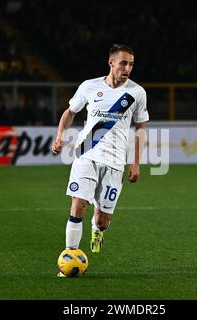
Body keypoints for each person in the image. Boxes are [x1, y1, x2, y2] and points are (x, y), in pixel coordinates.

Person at [52, 44, 149, 276]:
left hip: (115, 162)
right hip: (86, 154)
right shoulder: (89, 86)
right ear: (111, 63)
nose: (127, 68)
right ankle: (70, 255)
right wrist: (60, 136)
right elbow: (70, 111)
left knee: (103, 219)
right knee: (78, 204)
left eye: (131, 64)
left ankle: (98, 230)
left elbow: (141, 128)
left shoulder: (137, 93)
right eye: (123, 63)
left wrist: (136, 163)